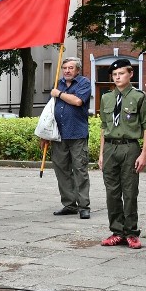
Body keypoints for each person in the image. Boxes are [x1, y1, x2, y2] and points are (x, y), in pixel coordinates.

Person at [99, 58, 146, 249]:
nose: (117, 77)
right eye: (114, 74)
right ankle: (117, 231)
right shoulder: (106, 97)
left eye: (121, 73)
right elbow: (104, 127)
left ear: (130, 74)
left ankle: (131, 232)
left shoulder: (139, 97)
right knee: (112, 193)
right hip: (110, 148)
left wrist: (144, 153)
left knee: (130, 192)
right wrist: (101, 154)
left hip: (130, 148)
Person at [49, 57, 93, 219]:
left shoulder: (83, 83)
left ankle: (83, 206)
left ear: (78, 70)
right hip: (58, 135)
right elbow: (49, 111)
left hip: (77, 134)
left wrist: (59, 94)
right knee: (62, 170)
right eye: (65, 68)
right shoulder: (57, 83)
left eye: (71, 68)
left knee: (80, 169)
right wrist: (45, 134)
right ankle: (69, 204)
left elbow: (77, 101)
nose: (67, 71)